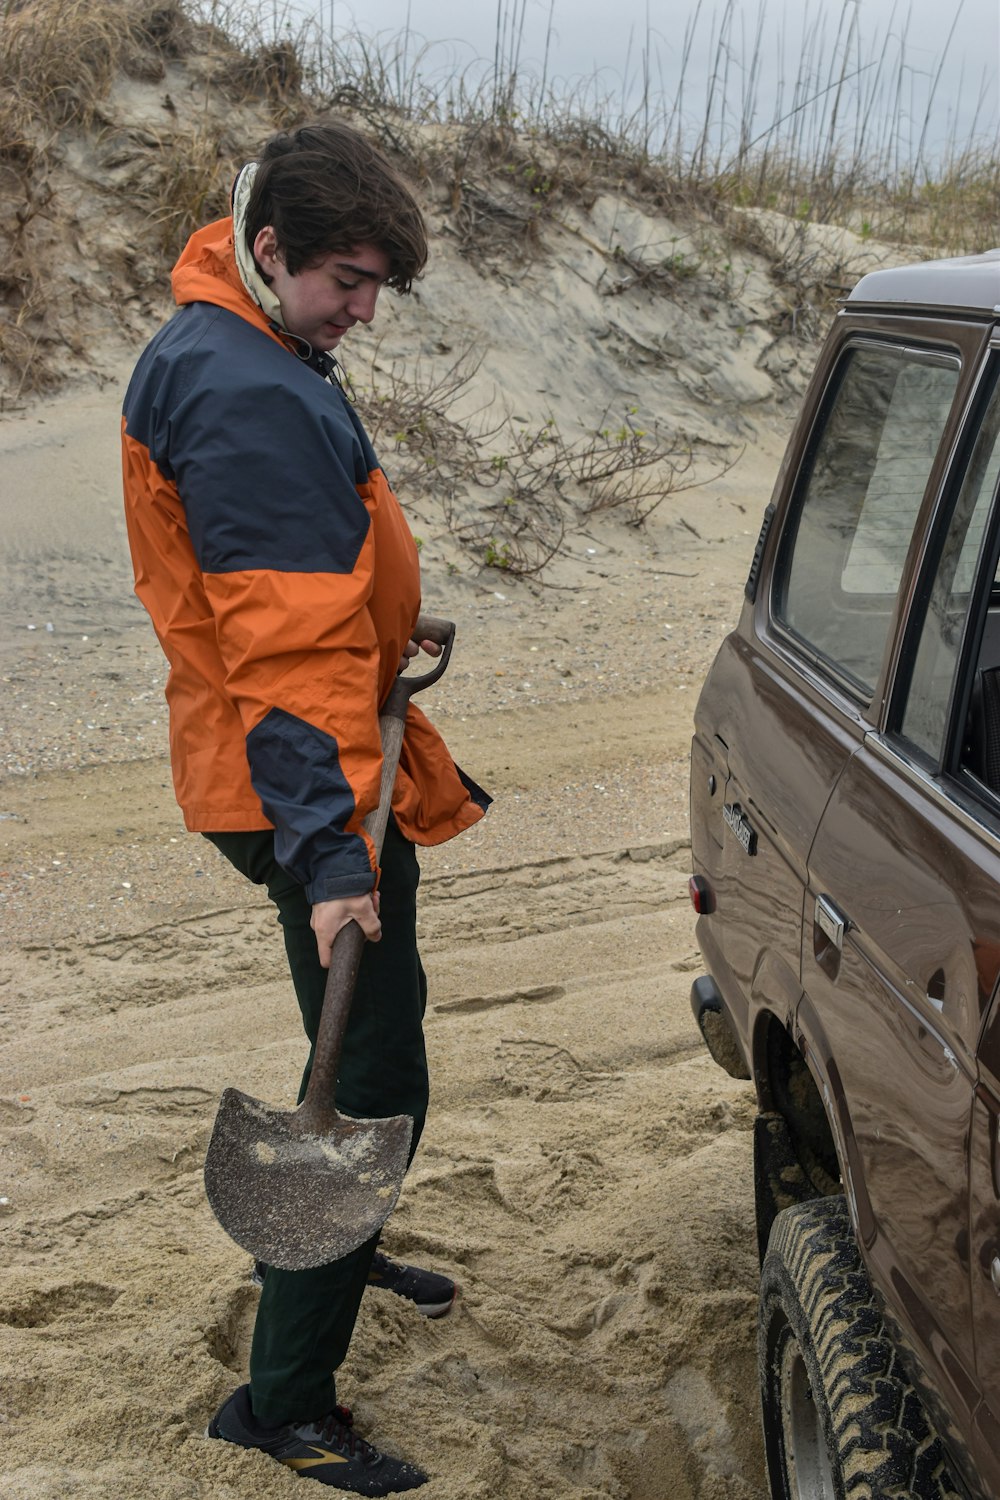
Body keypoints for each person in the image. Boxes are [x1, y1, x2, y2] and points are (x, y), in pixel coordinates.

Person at [121, 121, 489, 1494]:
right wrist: (334, 853)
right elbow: (279, 651)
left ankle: (346, 1234)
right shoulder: (244, 391)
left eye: (380, 282)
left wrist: (391, 630)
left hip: (320, 757)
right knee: (372, 1068)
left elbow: (299, 591)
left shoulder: (241, 337)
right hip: (306, 782)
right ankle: (282, 1402)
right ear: (267, 246)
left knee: (365, 1035)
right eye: (347, 277)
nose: (365, 308)